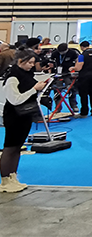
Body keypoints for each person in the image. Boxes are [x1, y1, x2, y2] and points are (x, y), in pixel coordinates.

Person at [1, 51, 51, 192]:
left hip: (25, 114)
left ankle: (12, 177)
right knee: (10, 148)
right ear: (20, 60)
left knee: (18, 148)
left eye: (33, 62)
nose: (31, 65)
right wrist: (34, 89)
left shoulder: (27, 75)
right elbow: (15, 100)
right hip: (14, 116)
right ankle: (5, 180)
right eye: (29, 62)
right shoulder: (12, 77)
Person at [71, 41, 92, 117]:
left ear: (81, 47)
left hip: (84, 76)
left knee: (83, 94)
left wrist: (72, 68)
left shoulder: (82, 56)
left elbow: (78, 68)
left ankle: (84, 112)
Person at [53, 43, 80, 111]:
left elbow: (78, 60)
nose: (61, 53)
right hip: (58, 74)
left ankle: (74, 105)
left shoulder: (73, 52)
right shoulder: (55, 53)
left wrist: (75, 67)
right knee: (57, 90)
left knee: (72, 89)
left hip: (68, 74)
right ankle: (58, 107)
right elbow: (51, 61)